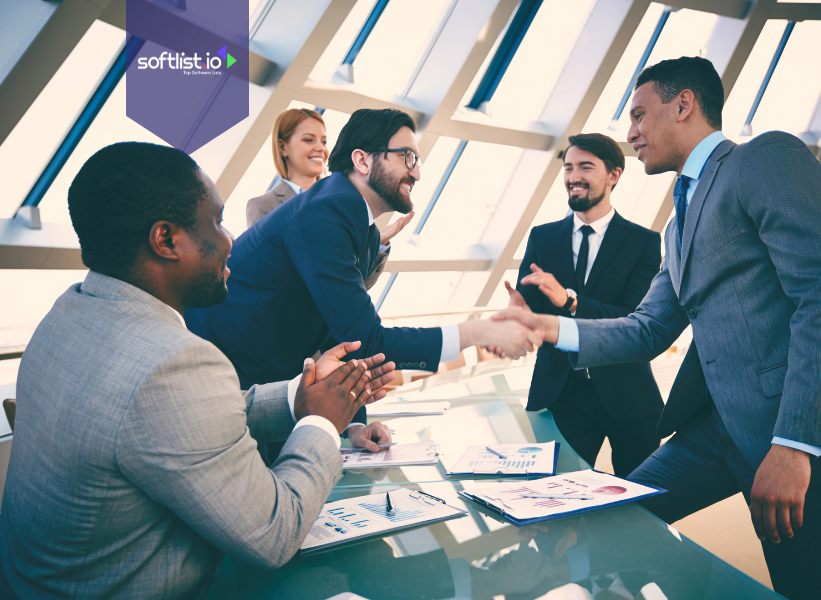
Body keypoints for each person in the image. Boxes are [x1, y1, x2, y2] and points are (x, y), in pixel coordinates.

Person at [493, 57, 821, 600]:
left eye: (639, 115)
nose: (631, 133)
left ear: (683, 104)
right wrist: (548, 327)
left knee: (810, 590)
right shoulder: (677, 224)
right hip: (721, 427)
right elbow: (646, 329)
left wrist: (794, 445)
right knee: (623, 517)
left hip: (797, 433)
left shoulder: (764, 160)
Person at [0, 142, 396, 600]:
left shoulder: (69, 312)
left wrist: (298, 398)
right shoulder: (171, 361)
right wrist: (323, 423)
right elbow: (273, 532)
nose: (231, 240)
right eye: (216, 221)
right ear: (166, 240)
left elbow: (180, 420)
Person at [185, 108, 540, 448]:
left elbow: (344, 334)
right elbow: (369, 340)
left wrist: (355, 423)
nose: (416, 174)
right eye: (407, 157)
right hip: (218, 383)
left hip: (265, 382)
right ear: (362, 160)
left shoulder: (362, 228)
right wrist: (480, 332)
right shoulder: (327, 212)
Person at [505, 132, 663, 473]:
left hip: (629, 394)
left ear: (614, 175)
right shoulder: (542, 237)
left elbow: (637, 319)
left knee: (645, 503)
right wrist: (520, 312)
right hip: (561, 393)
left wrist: (571, 302)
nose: (573, 177)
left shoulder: (644, 243)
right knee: (554, 498)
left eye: (585, 167)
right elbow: (532, 311)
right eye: (568, 167)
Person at [246, 108, 413, 291]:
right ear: (282, 147)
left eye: (324, 141)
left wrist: (376, 243)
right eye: (309, 139)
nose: (320, 148)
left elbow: (357, 285)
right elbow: (272, 278)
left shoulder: (344, 203)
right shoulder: (262, 205)